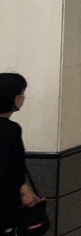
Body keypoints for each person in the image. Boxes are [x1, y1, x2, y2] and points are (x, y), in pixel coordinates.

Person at [0, 73, 39, 235]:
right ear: (13, 98)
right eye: (22, 94)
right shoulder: (10, 130)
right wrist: (22, 188)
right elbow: (14, 168)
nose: (23, 98)